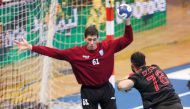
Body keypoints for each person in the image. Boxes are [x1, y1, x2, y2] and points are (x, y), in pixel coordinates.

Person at [15, 18, 133, 109]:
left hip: (106, 89)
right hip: (88, 92)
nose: (92, 42)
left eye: (94, 39)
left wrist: (127, 22)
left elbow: (128, 39)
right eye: (89, 39)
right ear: (85, 39)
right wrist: (31, 47)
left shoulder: (108, 47)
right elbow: (54, 52)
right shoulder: (76, 53)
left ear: (98, 38)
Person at [117, 51, 183, 109]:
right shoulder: (155, 67)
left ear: (132, 65)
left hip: (160, 106)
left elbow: (121, 86)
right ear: (145, 61)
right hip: (177, 104)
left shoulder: (137, 78)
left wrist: (128, 77)